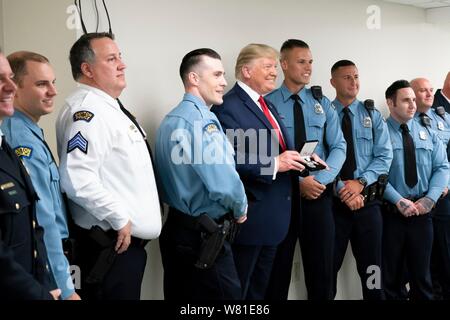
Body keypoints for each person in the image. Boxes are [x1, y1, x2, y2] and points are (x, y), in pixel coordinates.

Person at [56, 32, 161, 300]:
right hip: (110, 248)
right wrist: (119, 217)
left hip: (124, 250)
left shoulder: (109, 108)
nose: (122, 65)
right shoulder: (88, 112)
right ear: (87, 69)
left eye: (120, 57)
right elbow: (75, 177)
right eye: (111, 59)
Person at [212, 43, 309, 300]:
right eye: (267, 67)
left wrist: (301, 159)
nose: (274, 73)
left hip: (275, 219)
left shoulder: (266, 104)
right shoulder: (227, 106)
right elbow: (229, 160)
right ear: (246, 71)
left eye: (274, 67)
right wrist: (276, 164)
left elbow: (273, 149)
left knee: (260, 292)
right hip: (251, 219)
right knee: (240, 294)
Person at [155, 48, 248, 300]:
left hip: (177, 229)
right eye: (217, 74)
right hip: (203, 237)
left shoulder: (171, 119)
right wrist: (240, 209)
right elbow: (224, 183)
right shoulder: (200, 121)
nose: (224, 82)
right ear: (194, 78)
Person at [265, 39, 346, 300]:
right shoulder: (268, 103)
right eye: (301, 61)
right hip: (282, 198)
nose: (308, 67)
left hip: (319, 197)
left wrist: (318, 180)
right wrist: (297, 183)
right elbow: (264, 155)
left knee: (322, 272)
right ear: (284, 64)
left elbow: (339, 147)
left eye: (310, 61)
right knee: (276, 272)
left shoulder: (322, 103)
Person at [1, 51, 80, 300]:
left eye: (53, 82)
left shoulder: (29, 131)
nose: (53, 91)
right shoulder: (20, 139)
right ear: (18, 89)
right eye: (41, 84)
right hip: (37, 269)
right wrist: (66, 289)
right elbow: (43, 220)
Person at [329, 60, 392, 300]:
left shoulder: (371, 114)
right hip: (334, 205)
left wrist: (360, 183)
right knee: (327, 269)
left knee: (373, 269)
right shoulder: (325, 114)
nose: (353, 82)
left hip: (368, 204)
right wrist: (342, 189)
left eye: (356, 76)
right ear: (333, 81)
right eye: (346, 77)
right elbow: (320, 157)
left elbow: (384, 156)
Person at [383, 80, 448, 300]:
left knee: (423, 277)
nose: (412, 105)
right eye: (405, 100)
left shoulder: (428, 131)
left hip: (422, 214)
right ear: (390, 103)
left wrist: (429, 199)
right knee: (391, 279)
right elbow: (375, 173)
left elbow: (442, 167)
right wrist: (398, 200)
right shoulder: (379, 132)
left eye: (413, 99)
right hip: (391, 214)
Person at [411, 77, 450, 300]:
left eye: (429, 90)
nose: (428, 94)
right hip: (416, 199)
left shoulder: (444, 119)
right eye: (422, 90)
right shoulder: (404, 122)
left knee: (444, 252)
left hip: (442, 198)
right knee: (422, 258)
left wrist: (446, 185)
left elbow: (447, 161)